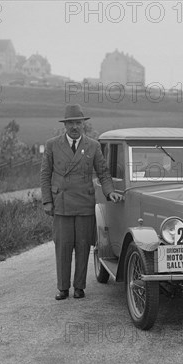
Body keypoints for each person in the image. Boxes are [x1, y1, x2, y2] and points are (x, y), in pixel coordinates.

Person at [40, 104, 123, 300]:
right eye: (71, 123)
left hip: (84, 203)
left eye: (78, 123)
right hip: (62, 203)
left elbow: (103, 173)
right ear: (65, 125)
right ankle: (63, 288)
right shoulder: (52, 145)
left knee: (84, 245)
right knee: (63, 246)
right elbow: (45, 175)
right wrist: (47, 201)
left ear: (83, 124)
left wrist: (110, 192)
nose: (75, 127)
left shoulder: (93, 146)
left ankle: (79, 287)